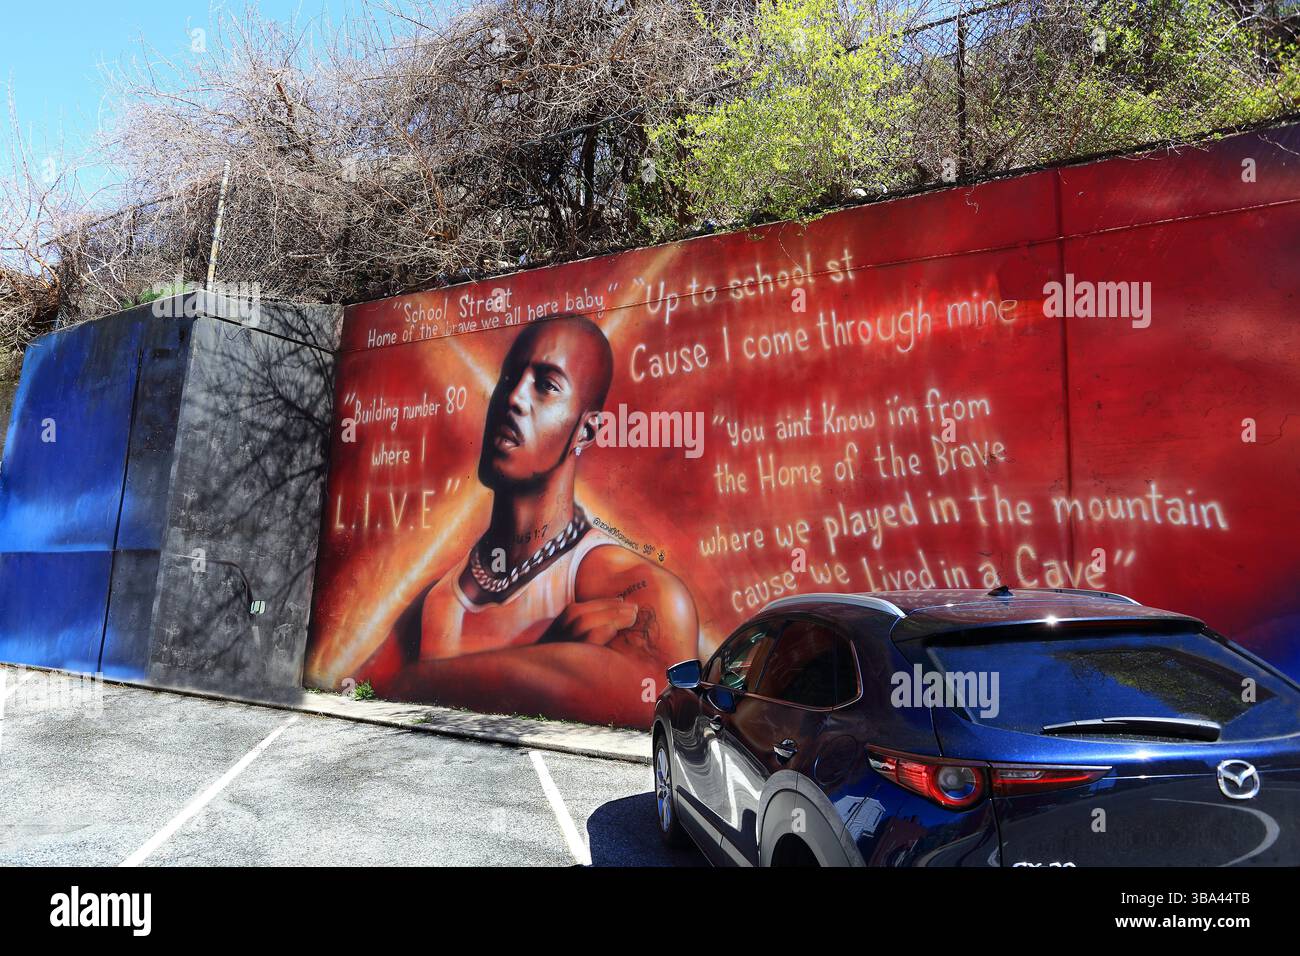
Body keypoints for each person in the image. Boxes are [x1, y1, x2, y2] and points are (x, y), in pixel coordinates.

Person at [363, 313, 699, 726]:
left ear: (586, 431)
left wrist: (415, 683)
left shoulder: (636, 590)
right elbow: (370, 694)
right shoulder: (438, 601)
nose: (514, 398)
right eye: (509, 378)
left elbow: (659, 702)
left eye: (546, 385)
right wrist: (548, 659)